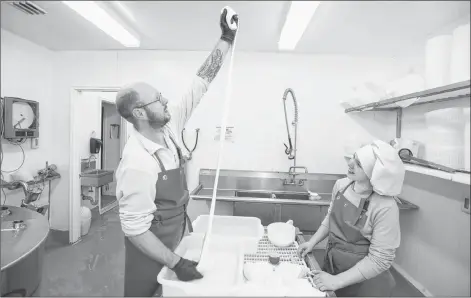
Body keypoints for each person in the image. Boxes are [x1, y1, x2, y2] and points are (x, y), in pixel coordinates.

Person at [114, 7, 238, 297]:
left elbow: (201, 82)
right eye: (158, 99)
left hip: (178, 234)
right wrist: (176, 262)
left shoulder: (169, 128)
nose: (166, 100)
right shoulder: (137, 163)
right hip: (150, 251)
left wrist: (226, 38)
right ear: (140, 113)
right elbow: (135, 230)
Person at [298, 140, 405, 297]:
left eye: (360, 164)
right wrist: (312, 242)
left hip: (365, 283)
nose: (351, 163)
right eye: (354, 157)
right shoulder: (342, 186)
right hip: (334, 266)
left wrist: (336, 281)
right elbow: (331, 217)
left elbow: (380, 260)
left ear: (374, 172)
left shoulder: (385, 206)